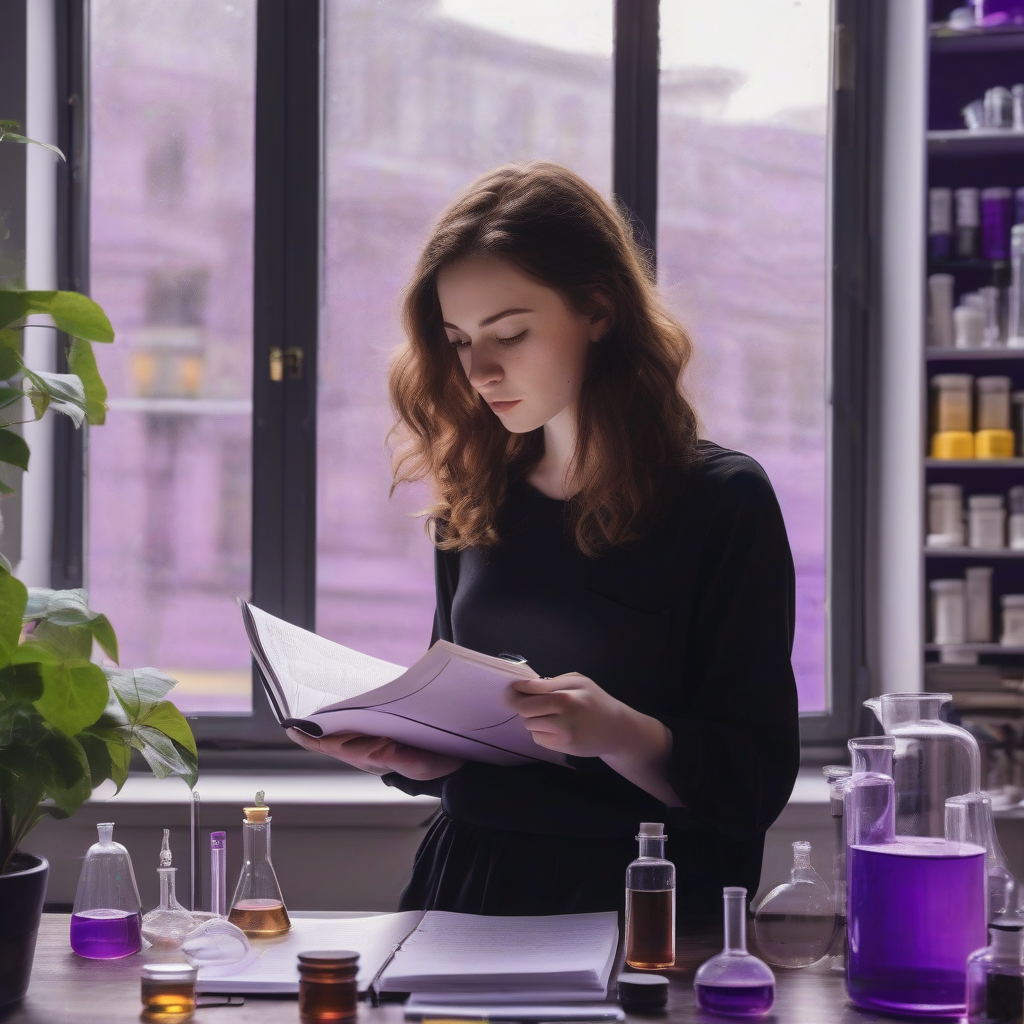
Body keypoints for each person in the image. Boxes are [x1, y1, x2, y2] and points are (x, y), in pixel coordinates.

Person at [288, 161, 800, 917]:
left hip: (645, 900)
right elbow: (474, 735)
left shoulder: (723, 501)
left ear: (598, 309)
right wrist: (415, 753)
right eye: (459, 341)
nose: (481, 371)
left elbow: (752, 781)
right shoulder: (475, 497)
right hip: (468, 886)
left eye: (511, 334)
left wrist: (619, 731)